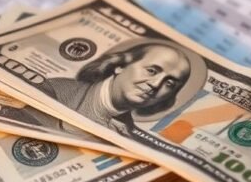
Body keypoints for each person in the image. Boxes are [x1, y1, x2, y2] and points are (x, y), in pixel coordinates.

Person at [44, 42, 192, 133]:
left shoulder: (128, 134)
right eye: (152, 71)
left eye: (169, 83)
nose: (155, 84)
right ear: (121, 66)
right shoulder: (54, 90)